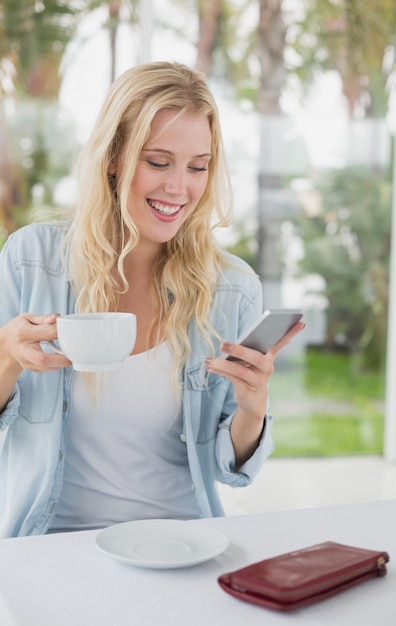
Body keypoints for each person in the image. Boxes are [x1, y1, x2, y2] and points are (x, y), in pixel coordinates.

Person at [0, 61, 304, 538]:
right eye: (158, 162)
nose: (178, 187)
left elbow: (230, 470)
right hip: (51, 545)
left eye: (198, 167)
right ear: (114, 156)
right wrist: (7, 358)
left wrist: (252, 407)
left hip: (182, 544)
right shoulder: (31, 260)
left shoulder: (231, 289)